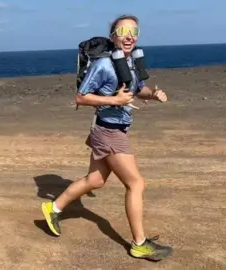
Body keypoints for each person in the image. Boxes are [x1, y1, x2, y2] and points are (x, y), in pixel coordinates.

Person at [40, 14, 173, 261]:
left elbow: (137, 89)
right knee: (136, 184)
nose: (129, 35)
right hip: (108, 131)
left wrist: (153, 94)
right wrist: (115, 100)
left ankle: (52, 207)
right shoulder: (102, 65)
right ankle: (139, 244)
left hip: (116, 130)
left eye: (134, 31)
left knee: (95, 180)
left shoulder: (130, 61)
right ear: (113, 36)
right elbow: (81, 97)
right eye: (123, 30)